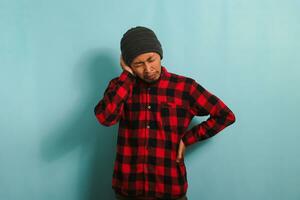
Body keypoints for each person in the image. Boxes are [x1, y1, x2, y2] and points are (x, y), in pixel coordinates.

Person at [94, 26, 236, 200]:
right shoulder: (119, 86)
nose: (148, 69)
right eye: (138, 64)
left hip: (169, 187)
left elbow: (225, 115)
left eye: (151, 60)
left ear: (159, 54)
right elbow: (105, 118)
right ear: (128, 65)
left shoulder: (185, 87)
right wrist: (127, 77)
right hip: (128, 189)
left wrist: (187, 139)